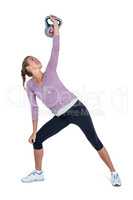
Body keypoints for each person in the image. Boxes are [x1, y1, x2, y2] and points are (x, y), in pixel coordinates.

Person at [20, 15, 121, 186]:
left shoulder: (50, 70)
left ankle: (114, 173)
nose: (36, 59)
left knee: (94, 141)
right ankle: (38, 173)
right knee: (37, 140)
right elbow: (34, 108)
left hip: (76, 109)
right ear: (28, 68)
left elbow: (56, 49)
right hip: (61, 116)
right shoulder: (30, 86)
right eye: (32, 59)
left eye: (35, 58)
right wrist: (34, 130)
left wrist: (56, 27)